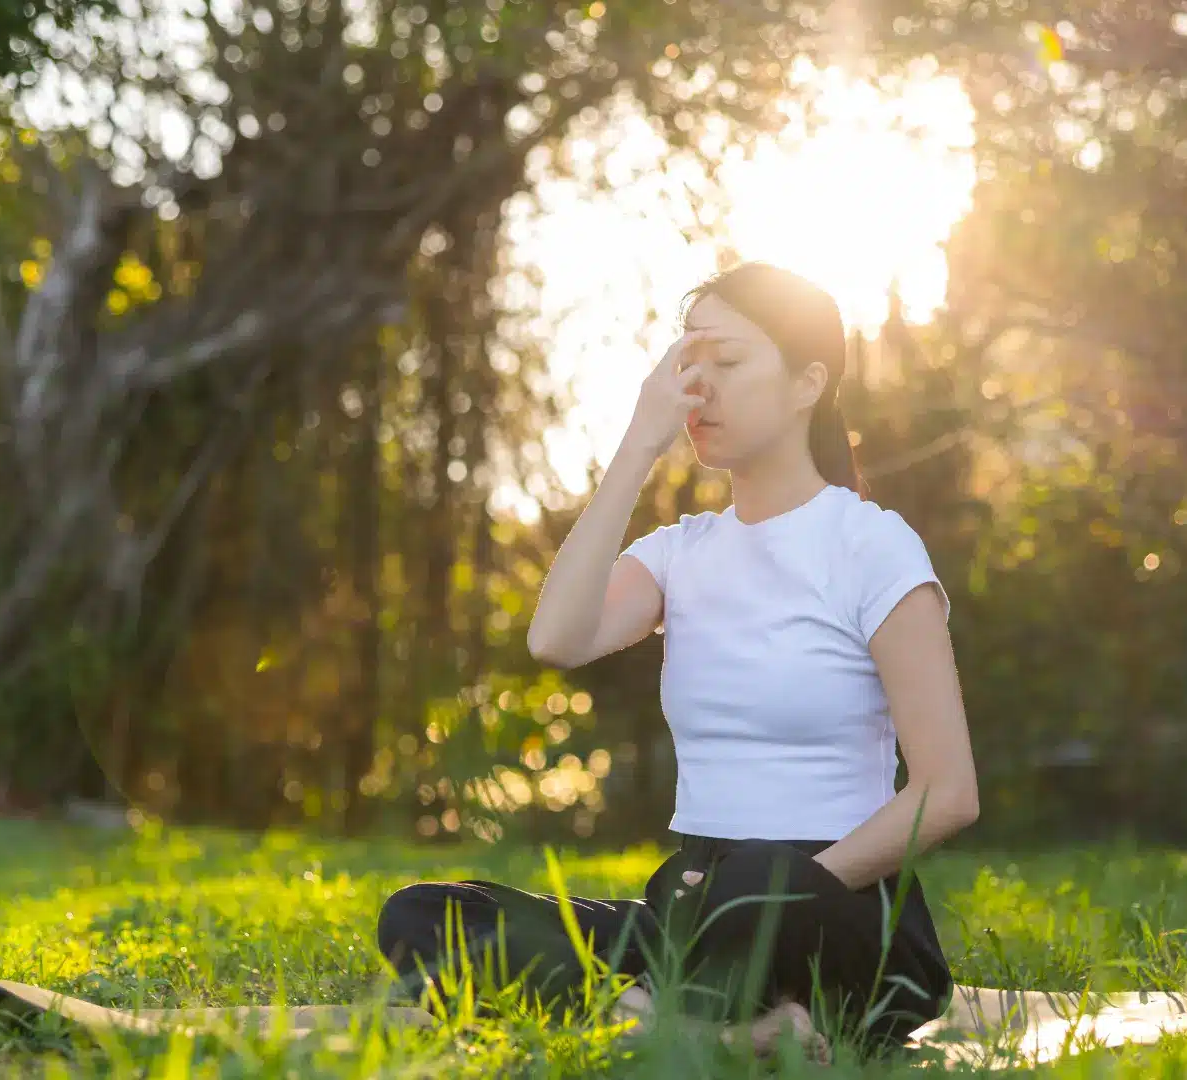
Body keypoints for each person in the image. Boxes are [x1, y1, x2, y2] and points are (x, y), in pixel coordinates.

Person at [373, 262, 980, 1059]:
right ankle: (718, 1031)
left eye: (726, 363)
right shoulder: (680, 555)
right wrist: (637, 444)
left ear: (807, 384)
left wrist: (785, 897)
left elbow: (948, 792)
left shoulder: (872, 546)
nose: (699, 389)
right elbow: (557, 638)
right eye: (686, 366)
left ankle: (641, 1014)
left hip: (838, 903)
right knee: (423, 916)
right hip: (692, 900)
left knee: (738, 899)